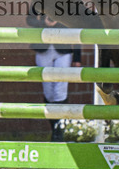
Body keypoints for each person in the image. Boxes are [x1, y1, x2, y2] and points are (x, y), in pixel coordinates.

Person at [28, 13, 81, 141]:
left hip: (63, 50)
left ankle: (59, 130)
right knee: (49, 92)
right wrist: (44, 23)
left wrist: (77, 56)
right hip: (43, 49)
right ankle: (54, 129)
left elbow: (76, 25)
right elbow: (29, 19)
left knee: (60, 89)